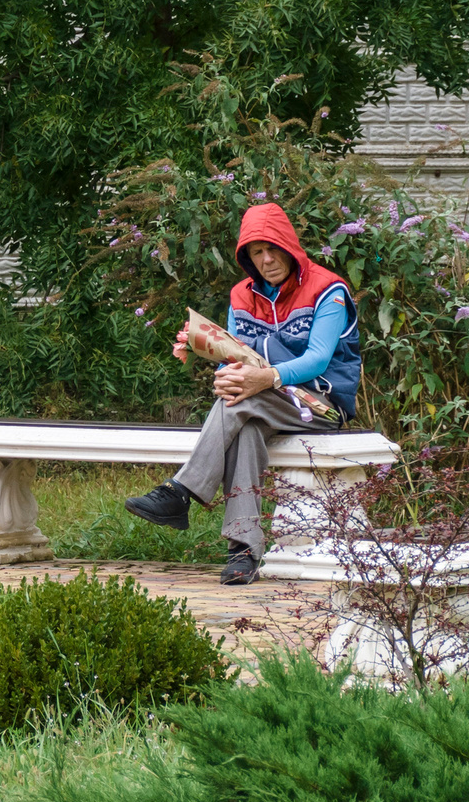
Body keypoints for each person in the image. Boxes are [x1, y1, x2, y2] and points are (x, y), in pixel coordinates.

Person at [125, 202, 362, 586]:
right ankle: (244, 550)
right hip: (262, 403)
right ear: (247, 258)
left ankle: (180, 490)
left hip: (320, 404)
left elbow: (318, 360)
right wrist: (225, 376)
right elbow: (230, 353)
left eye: (273, 248)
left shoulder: (328, 290)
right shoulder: (241, 295)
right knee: (245, 425)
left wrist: (261, 379)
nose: (267, 260)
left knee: (243, 399)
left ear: (289, 246)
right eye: (257, 252)